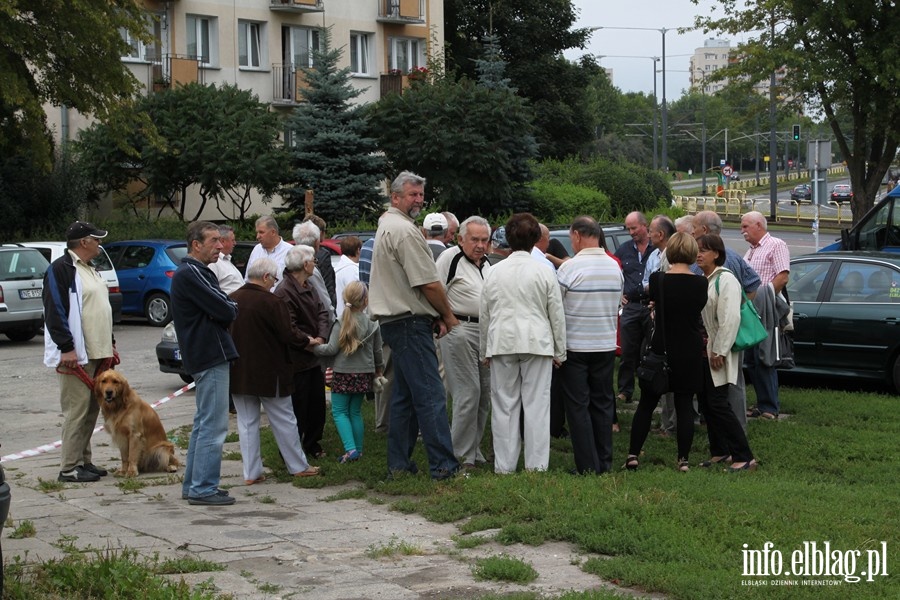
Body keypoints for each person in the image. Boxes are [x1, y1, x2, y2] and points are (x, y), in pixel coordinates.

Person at [369, 170, 460, 480]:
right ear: (395, 197)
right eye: (412, 194)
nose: (419, 199)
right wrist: (447, 315)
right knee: (431, 395)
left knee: (406, 397)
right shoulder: (406, 232)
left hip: (397, 321)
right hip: (409, 322)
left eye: (421, 194)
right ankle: (443, 466)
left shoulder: (387, 224)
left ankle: (399, 464)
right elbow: (429, 284)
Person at [480, 213, 566, 474]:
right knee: (537, 406)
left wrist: (484, 348)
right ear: (537, 239)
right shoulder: (544, 271)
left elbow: (485, 313)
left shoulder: (493, 272)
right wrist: (559, 350)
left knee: (504, 405)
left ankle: (504, 466)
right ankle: (536, 466)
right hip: (537, 342)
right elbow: (556, 313)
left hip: (502, 342)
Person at [229, 257, 320, 483]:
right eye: (274, 279)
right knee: (284, 419)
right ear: (267, 277)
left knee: (247, 422)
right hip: (271, 372)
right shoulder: (272, 301)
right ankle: (298, 466)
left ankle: (251, 473)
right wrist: (308, 340)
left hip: (239, 371)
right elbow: (288, 333)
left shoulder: (232, 299)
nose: (274, 283)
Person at [626, 233, 708, 472]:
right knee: (684, 405)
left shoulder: (658, 279)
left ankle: (633, 454)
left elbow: (653, 301)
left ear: (669, 253)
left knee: (647, 404)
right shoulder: (701, 283)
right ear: (693, 253)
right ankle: (683, 459)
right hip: (689, 350)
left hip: (660, 348)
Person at [171, 221, 239, 505]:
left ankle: (194, 484)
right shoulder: (191, 273)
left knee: (203, 423)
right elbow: (226, 308)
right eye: (213, 241)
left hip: (207, 354)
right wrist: (228, 308)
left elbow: (222, 307)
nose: (220, 246)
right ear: (196, 245)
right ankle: (203, 487)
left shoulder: (199, 272)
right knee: (214, 424)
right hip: (208, 354)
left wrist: (225, 308)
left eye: (221, 241)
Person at [43, 221, 115, 483]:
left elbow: (100, 307)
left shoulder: (89, 268)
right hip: (76, 355)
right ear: (84, 242)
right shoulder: (61, 269)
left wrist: (112, 341)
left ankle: (84, 461)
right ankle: (68, 467)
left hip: (98, 351)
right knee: (76, 411)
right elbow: (55, 311)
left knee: (90, 411)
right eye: (96, 239)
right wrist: (66, 348)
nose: (99, 244)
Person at [556, 216, 623, 474]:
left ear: (576, 235)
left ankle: (586, 465)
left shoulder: (570, 268)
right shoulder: (614, 266)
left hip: (576, 346)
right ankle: (604, 462)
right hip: (605, 345)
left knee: (577, 406)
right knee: (603, 403)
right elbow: (618, 304)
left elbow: (557, 307)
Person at [691, 210, 761, 429]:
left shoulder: (714, 263)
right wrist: (741, 306)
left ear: (704, 230)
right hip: (721, 333)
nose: (692, 232)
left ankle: (734, 433)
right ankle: (730, 429)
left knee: (726, 385)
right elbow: (753, 283)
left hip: (721, 335)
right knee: (731, 383)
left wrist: (736, 311)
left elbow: (745, 290)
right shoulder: (732, 254)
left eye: (694, 228)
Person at [695, 234, 757, 472]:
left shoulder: (726, 280)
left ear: (717, 254)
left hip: (718, 351)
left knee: (719, 403)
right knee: (709, 403)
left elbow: (730, 319)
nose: (699, 254)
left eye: (705, 250)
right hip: (704, 350)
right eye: (698, 250)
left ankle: (744, 456)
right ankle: (719, 451)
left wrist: (720, 351)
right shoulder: (706, 279)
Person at [435, 216, 492, 469]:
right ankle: (459, 454)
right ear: (460, 239)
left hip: (484, 331)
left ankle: (473, 448)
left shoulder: (487, 263)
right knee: (468, 392)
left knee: (484, 395)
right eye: (475, 240)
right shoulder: (450, 259)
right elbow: (435, 291)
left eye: (484, 240)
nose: (480, 245)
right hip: (459, 328)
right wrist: (444, 320)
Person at [313, 281, 384, 463]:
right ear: (365, 301)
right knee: (355, 411)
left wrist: (313, 347)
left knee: (339, 411)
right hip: (364, 374)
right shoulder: (372, 323)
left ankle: (350, 449)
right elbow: (378, 351)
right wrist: (378, 370)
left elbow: (331, 349)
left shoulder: (341, 322)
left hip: (343, 373)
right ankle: (358, 451)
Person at [274, 244, 331, 459]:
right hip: (297, 358)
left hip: (313, 356)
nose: (315, 264)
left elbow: (323, 311)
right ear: (305, 264)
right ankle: (291, 449)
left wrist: (322, 337)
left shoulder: (308, 285)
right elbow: (289, 326)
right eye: (313, 261)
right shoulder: (284, 291)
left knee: (316, 404)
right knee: (298, 405)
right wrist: (309, 342)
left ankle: (312, 443)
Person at [741, 211, 790, 420]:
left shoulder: (776, 245)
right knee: (751, 360)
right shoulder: (750, 251)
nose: (742, 230)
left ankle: (770, 407)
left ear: (759, 225)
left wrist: (764, 299)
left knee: (765, 358)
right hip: (751, 311)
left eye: (745, 226)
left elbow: (782, 277)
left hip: (766, 310)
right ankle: (762, 404)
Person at [614, 212, 655, 406]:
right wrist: (618, 293)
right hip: (631, 306)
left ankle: (654, 388)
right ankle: (625, 390)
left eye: (634, 228)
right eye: (628, 229)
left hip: (651, 306)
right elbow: (615, 272)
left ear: (645, 226)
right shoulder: (623, 250)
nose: (631, 232)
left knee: (653, 349)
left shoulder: (657, 249)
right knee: (628, 352)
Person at [641, 216, 677, 436]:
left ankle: (672, 425)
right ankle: (668, 422)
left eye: (650, 231)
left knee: (669, 375)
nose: (648, 234)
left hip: (669, 325)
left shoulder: (669, 257)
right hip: (661, 319)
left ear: (661, 234)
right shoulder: (657, 255)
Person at [293, 220, 336, 325]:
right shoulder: (310, 270)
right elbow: (325, 305)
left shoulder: (287, 264)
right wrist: (334, 323)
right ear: (317, 242)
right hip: (313, 328)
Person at [245, 215, 292, 285]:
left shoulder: (290, 251)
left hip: (279, 295)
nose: (257, 237)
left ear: (273, 232)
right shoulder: (256, 249)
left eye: (261, 232)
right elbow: (247, 279)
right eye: (257, 232)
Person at [304, 214, 337, 308]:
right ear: (320, 233)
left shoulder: (293, 254)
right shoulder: (323, 255)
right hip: (320, 309)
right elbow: (328, 287)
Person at [207, 225, 244, 295]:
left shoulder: (227, 260)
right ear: (223, 241)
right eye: (232, 240)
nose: (235, 243)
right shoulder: (214, 263)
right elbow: (212, 290)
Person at [333, 236, 361, 319]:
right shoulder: (353, 270)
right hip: (351, 319)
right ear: (358, 250)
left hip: (340, 317)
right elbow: (356, 297)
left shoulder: (337, 268)